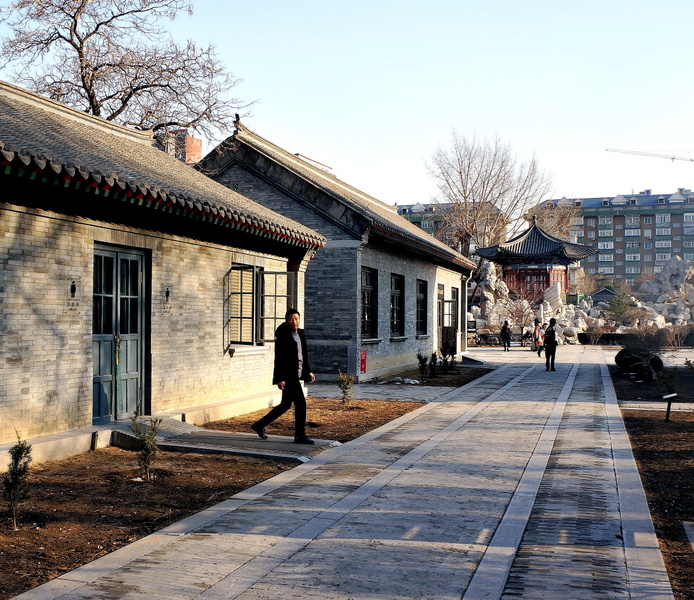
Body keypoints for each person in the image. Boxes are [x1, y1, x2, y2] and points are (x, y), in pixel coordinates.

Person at [251, 309, 316, 444]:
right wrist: (280, 378)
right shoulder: (283, 336)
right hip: (288, 376)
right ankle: (300, 435)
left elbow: (304, 356)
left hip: (297, 374)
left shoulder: (301, 334)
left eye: (297, 319)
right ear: (286, 321)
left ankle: (259, 425)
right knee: (301, 404)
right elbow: (279, 359)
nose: (294, 321)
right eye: (291, 319)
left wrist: (308, 371)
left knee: (285, 405)